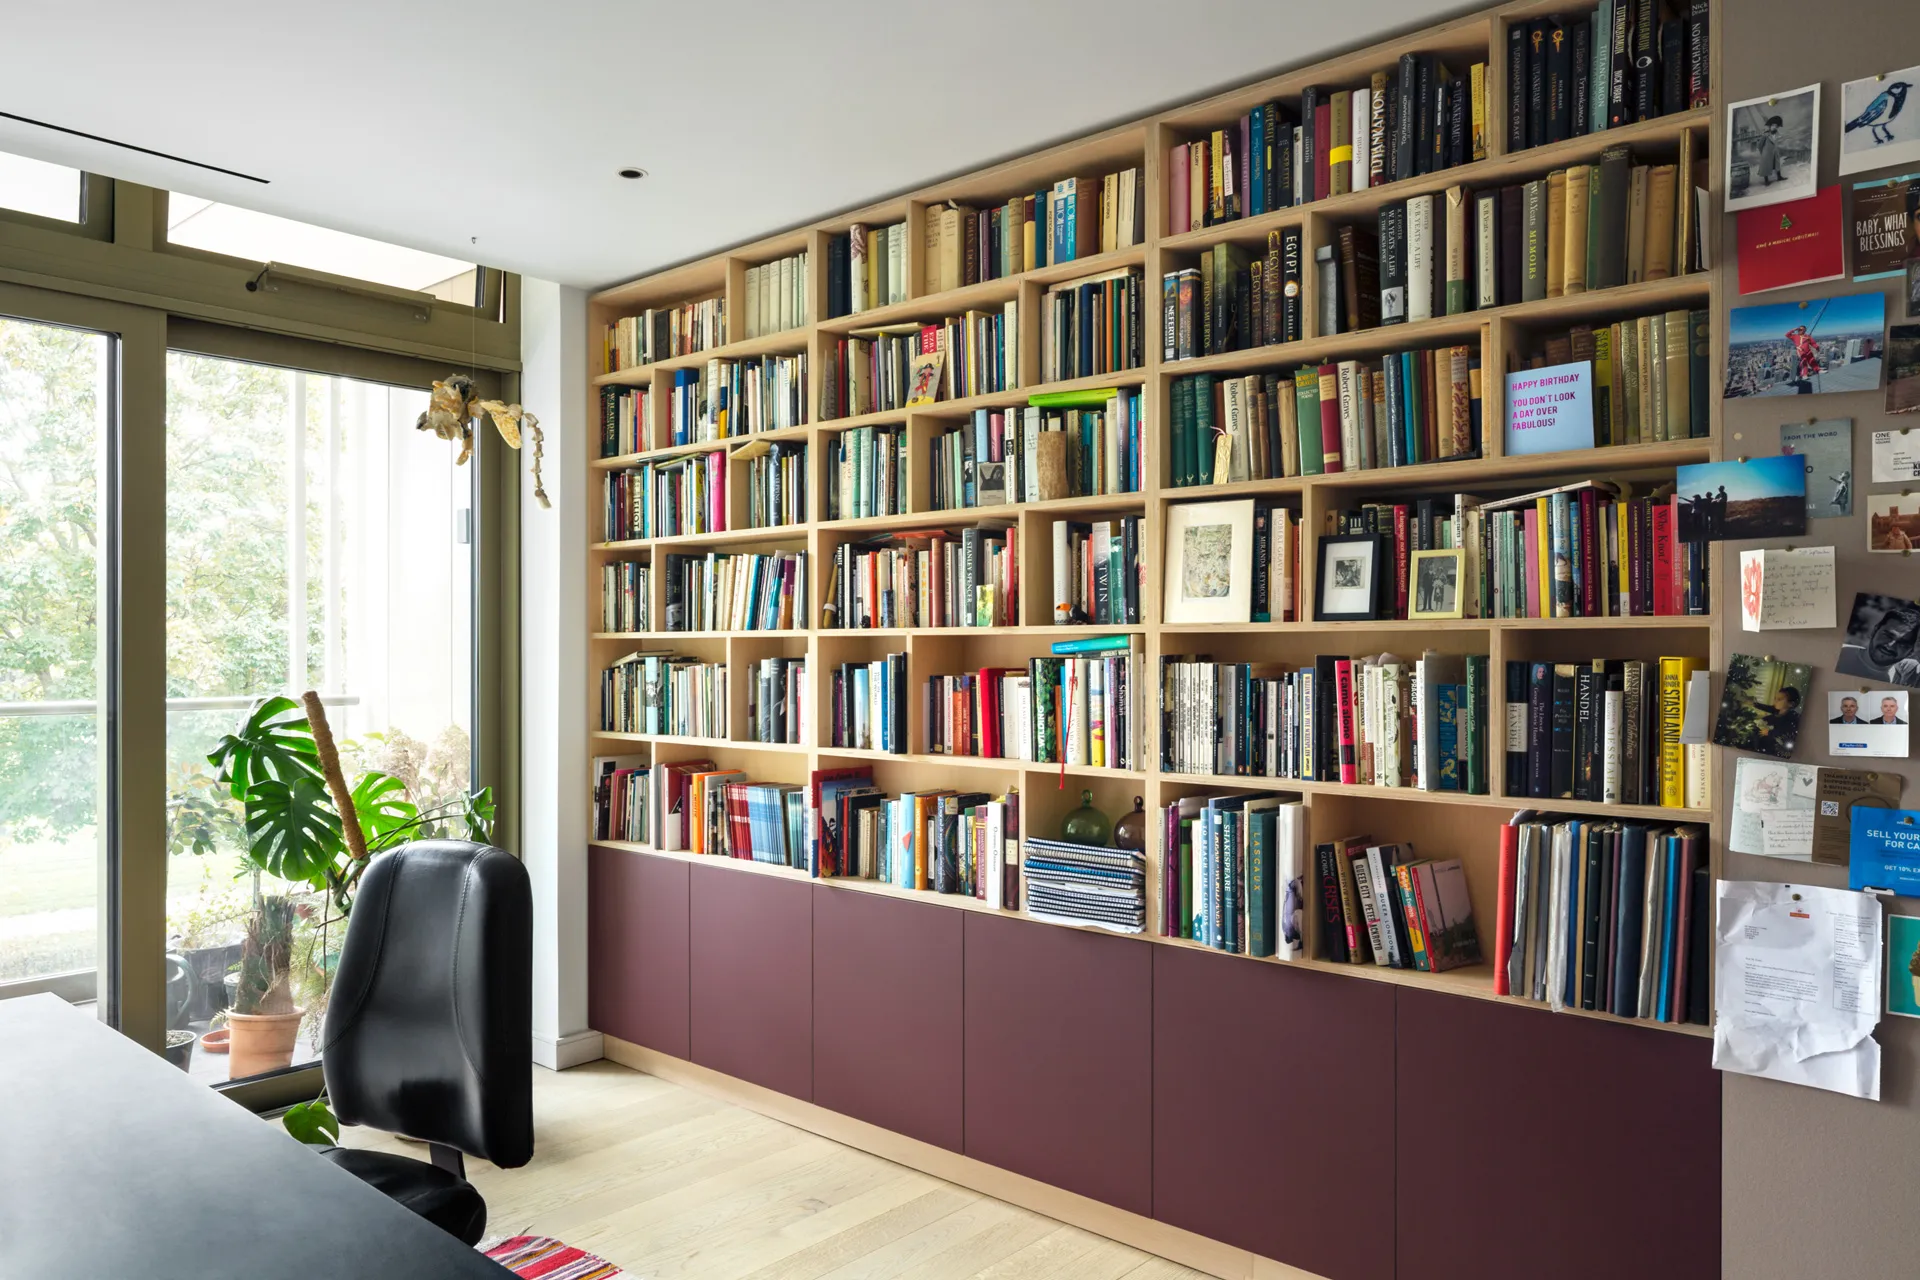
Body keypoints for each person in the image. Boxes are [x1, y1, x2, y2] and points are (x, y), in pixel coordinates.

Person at [1754, 685, 1802, 750]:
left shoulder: (1792, 718)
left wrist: (1769, 732)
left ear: (1791, 704)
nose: (1775, 701)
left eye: (1779, 699)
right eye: (1775, 698)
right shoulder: (1774, 714)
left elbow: (1787, 732)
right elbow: (1770, 708)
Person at [1757, 114, 1786, 185]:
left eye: (1776, 126)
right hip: (1766, 153)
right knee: (1766, 167)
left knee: (1777, 165)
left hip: (1775, 152)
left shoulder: (1777, 134)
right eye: (1773, 126)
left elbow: (1777, 143)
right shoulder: (1765, 135)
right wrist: (1763, 152)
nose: (1774, 127)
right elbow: (1759, 145)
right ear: (1770, 126)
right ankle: (1766, 181)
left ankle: (1779, 177)